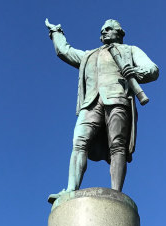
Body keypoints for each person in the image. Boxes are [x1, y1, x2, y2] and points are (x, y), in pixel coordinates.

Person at [45, 18, 159, 202]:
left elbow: (152, 69)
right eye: (101, 31)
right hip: (90, 103)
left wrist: (136, 72)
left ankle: (116, 193)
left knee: (118, 146)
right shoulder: (89, 55)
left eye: (107, 29)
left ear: (119, 32)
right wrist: (56, 32)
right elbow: (64, 51)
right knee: (79, 142)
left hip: (117, 99)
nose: (103, 33)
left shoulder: (130, 50)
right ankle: (71, 189)